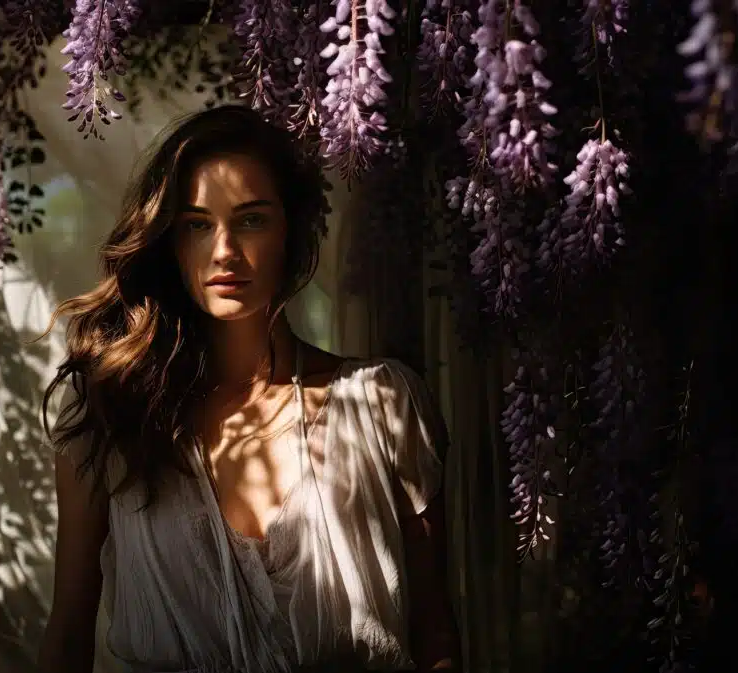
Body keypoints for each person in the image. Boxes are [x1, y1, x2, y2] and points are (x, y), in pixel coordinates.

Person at [37, 105, 459, 673]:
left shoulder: (382, 403)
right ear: (169, 242)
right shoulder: (109, 412)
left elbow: (437, 640)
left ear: (292, 231)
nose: (224, 251)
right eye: (196, 225)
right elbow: (67, 638)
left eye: (252, 219)